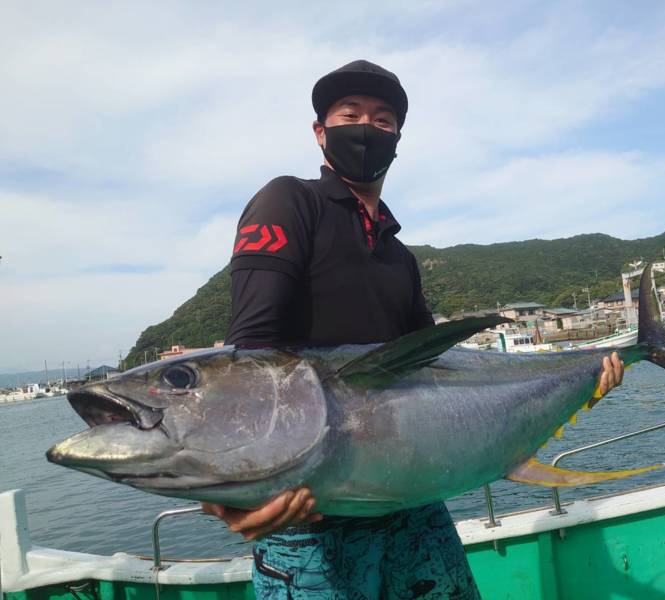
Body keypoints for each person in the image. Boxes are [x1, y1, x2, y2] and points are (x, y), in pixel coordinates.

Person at [204, 59, 624, 599]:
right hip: (311, 518)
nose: (366, 127)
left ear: (398, 140)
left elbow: (438, 371)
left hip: (412, 501)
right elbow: (249, 358)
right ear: (319, 131)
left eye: (383, 120)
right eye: (349, 114)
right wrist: (230, 486)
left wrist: (582, 381)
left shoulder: (400, 255)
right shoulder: (289, 201)